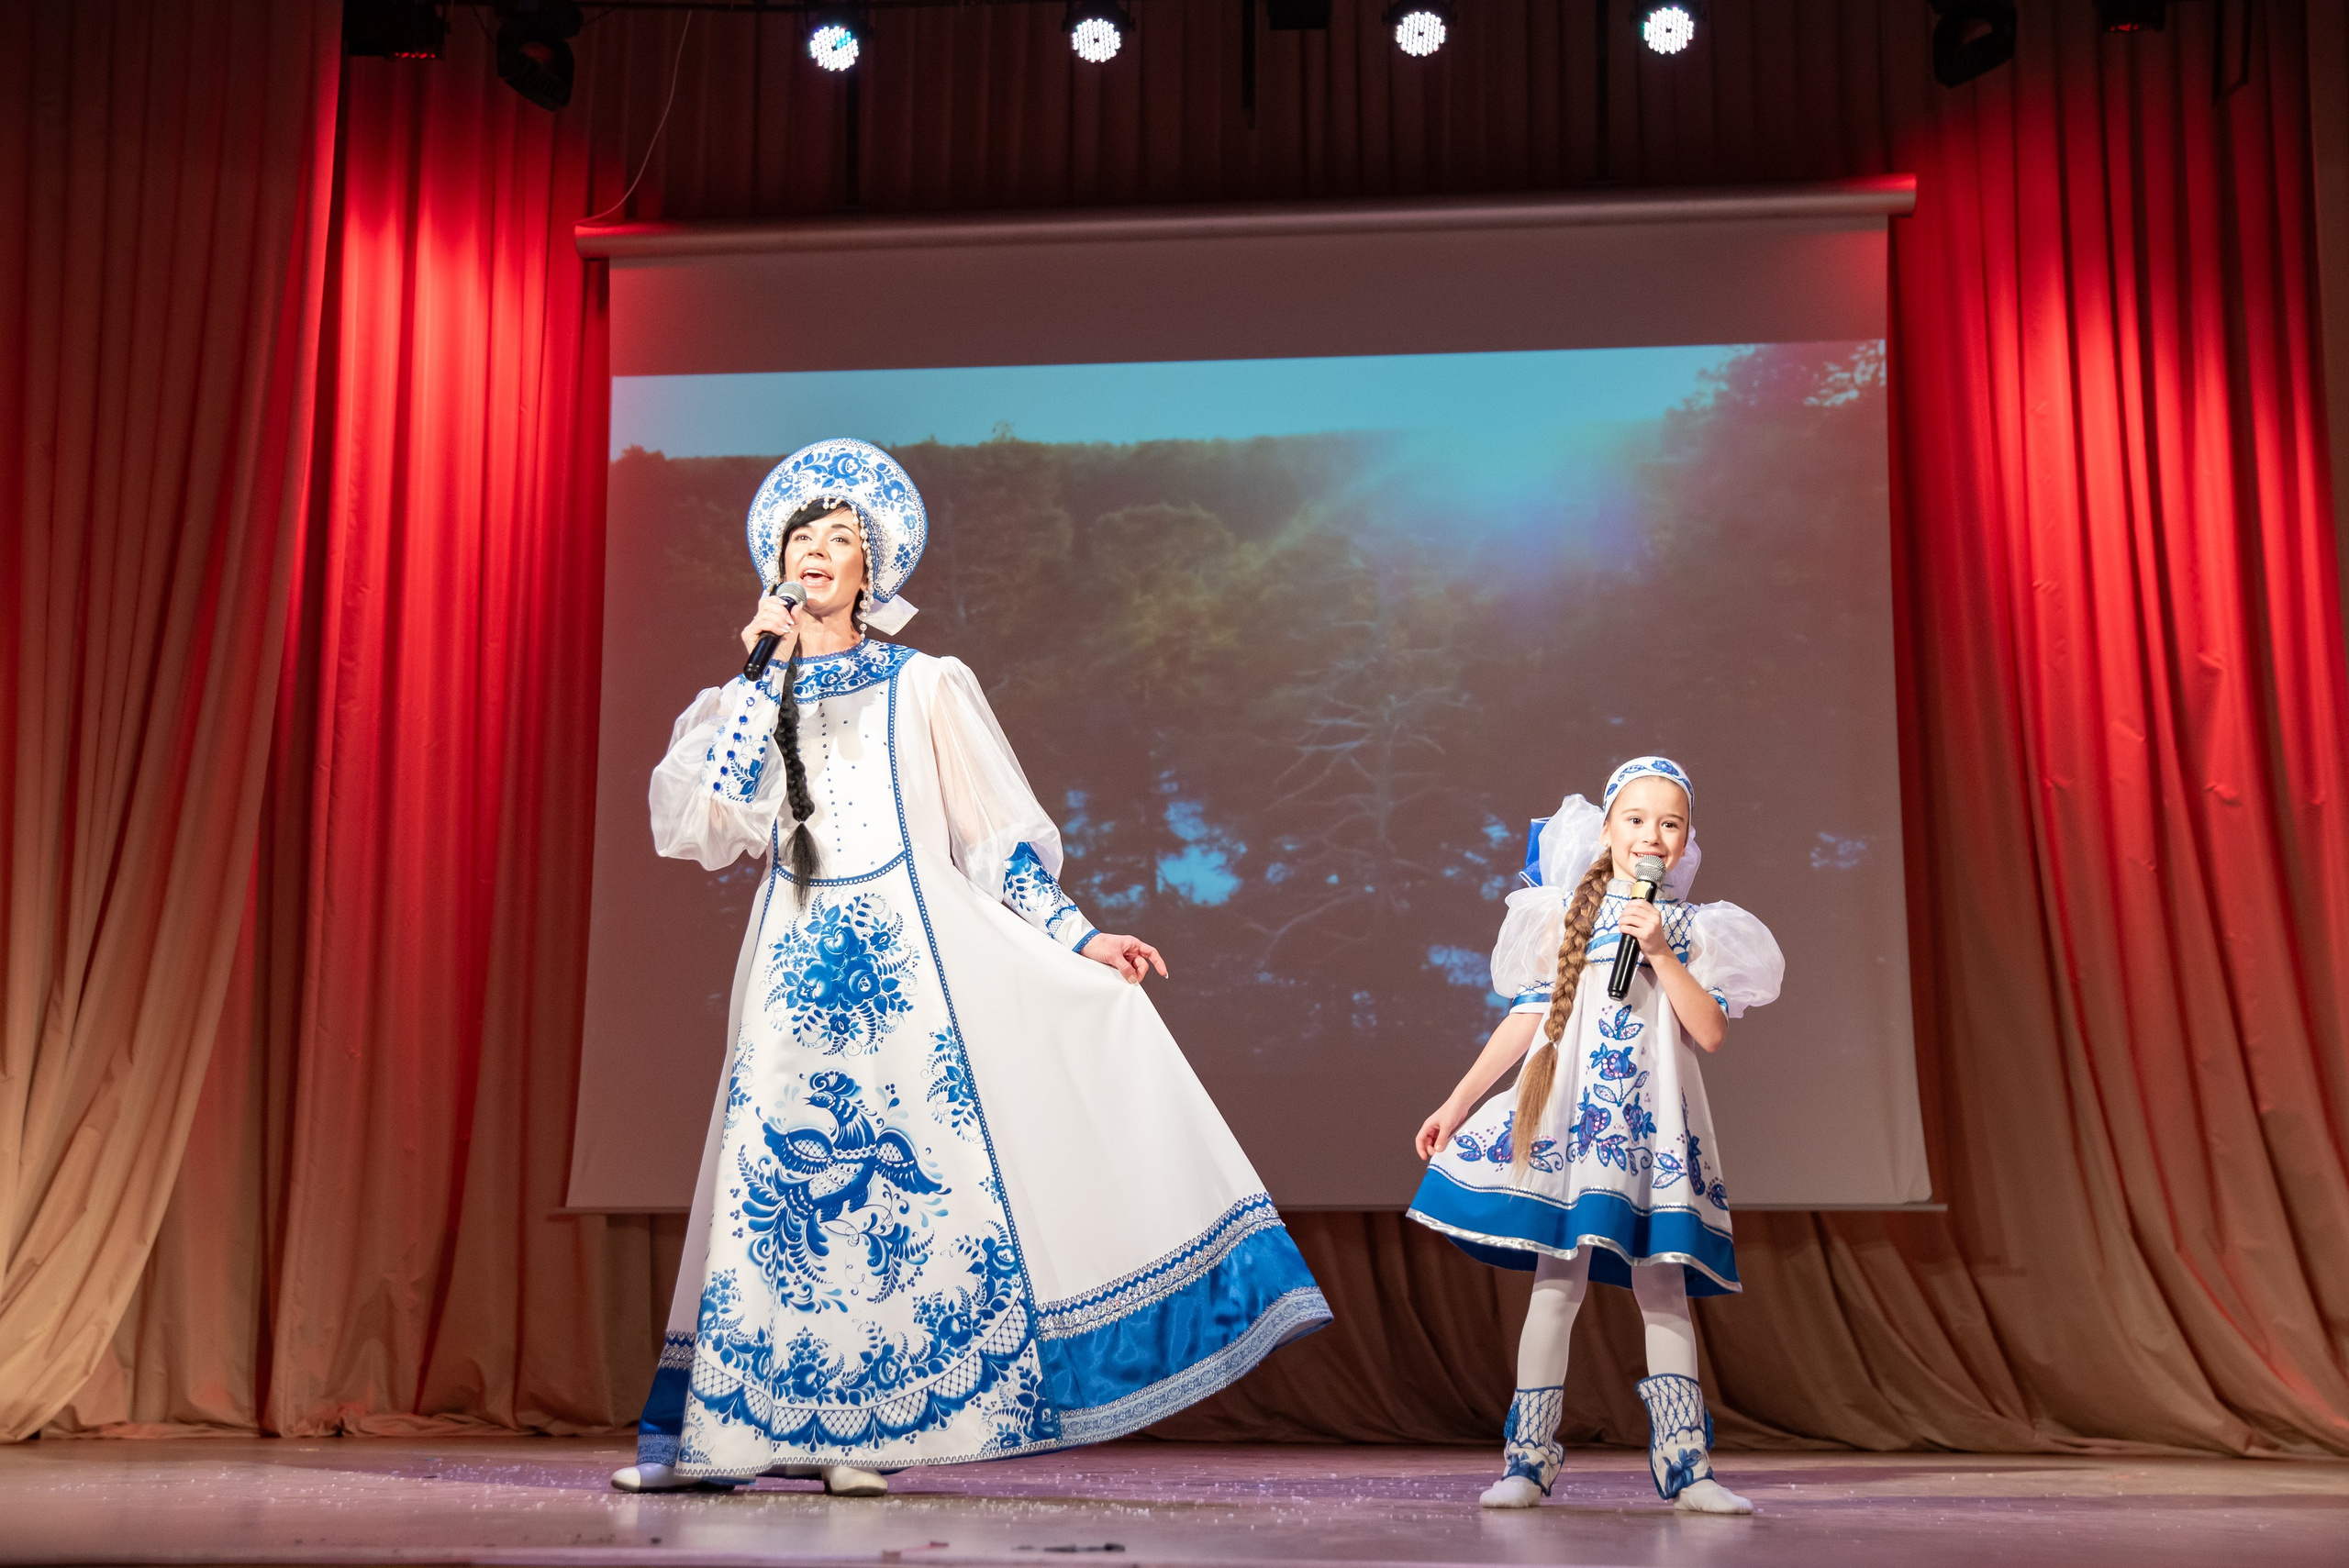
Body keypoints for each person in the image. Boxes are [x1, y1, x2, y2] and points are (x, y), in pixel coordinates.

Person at [614, 439, 1328, 1496]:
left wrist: (1079, 934)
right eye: (802, 539)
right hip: (794, 962)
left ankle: (865, 1431)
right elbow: (708, 824)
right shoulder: (747, 692)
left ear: (874, 567)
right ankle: (727, 1434)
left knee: (891, 1193)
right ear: (775, 562)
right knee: (775, 1187)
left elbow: (992, 841)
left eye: (840, 540)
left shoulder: (927, 684)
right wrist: (755, 671)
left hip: (909, 960)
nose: (818, 554)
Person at [1406, 757, 1782, 1515]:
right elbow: (1527, 1020)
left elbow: (1708, 1030)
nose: (1653, 834)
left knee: (1665, 1285)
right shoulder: (1561, 916)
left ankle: (1688, 1467)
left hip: (1651, 1127)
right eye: (1637, 819)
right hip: (1573, 1124)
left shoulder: (1694, 927)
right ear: (1608, 831)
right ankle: (1527, 1461)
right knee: (1557, 1281)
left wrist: (1665, 952)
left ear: (1686, 841)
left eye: (1669, 823)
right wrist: (1458, 1099)